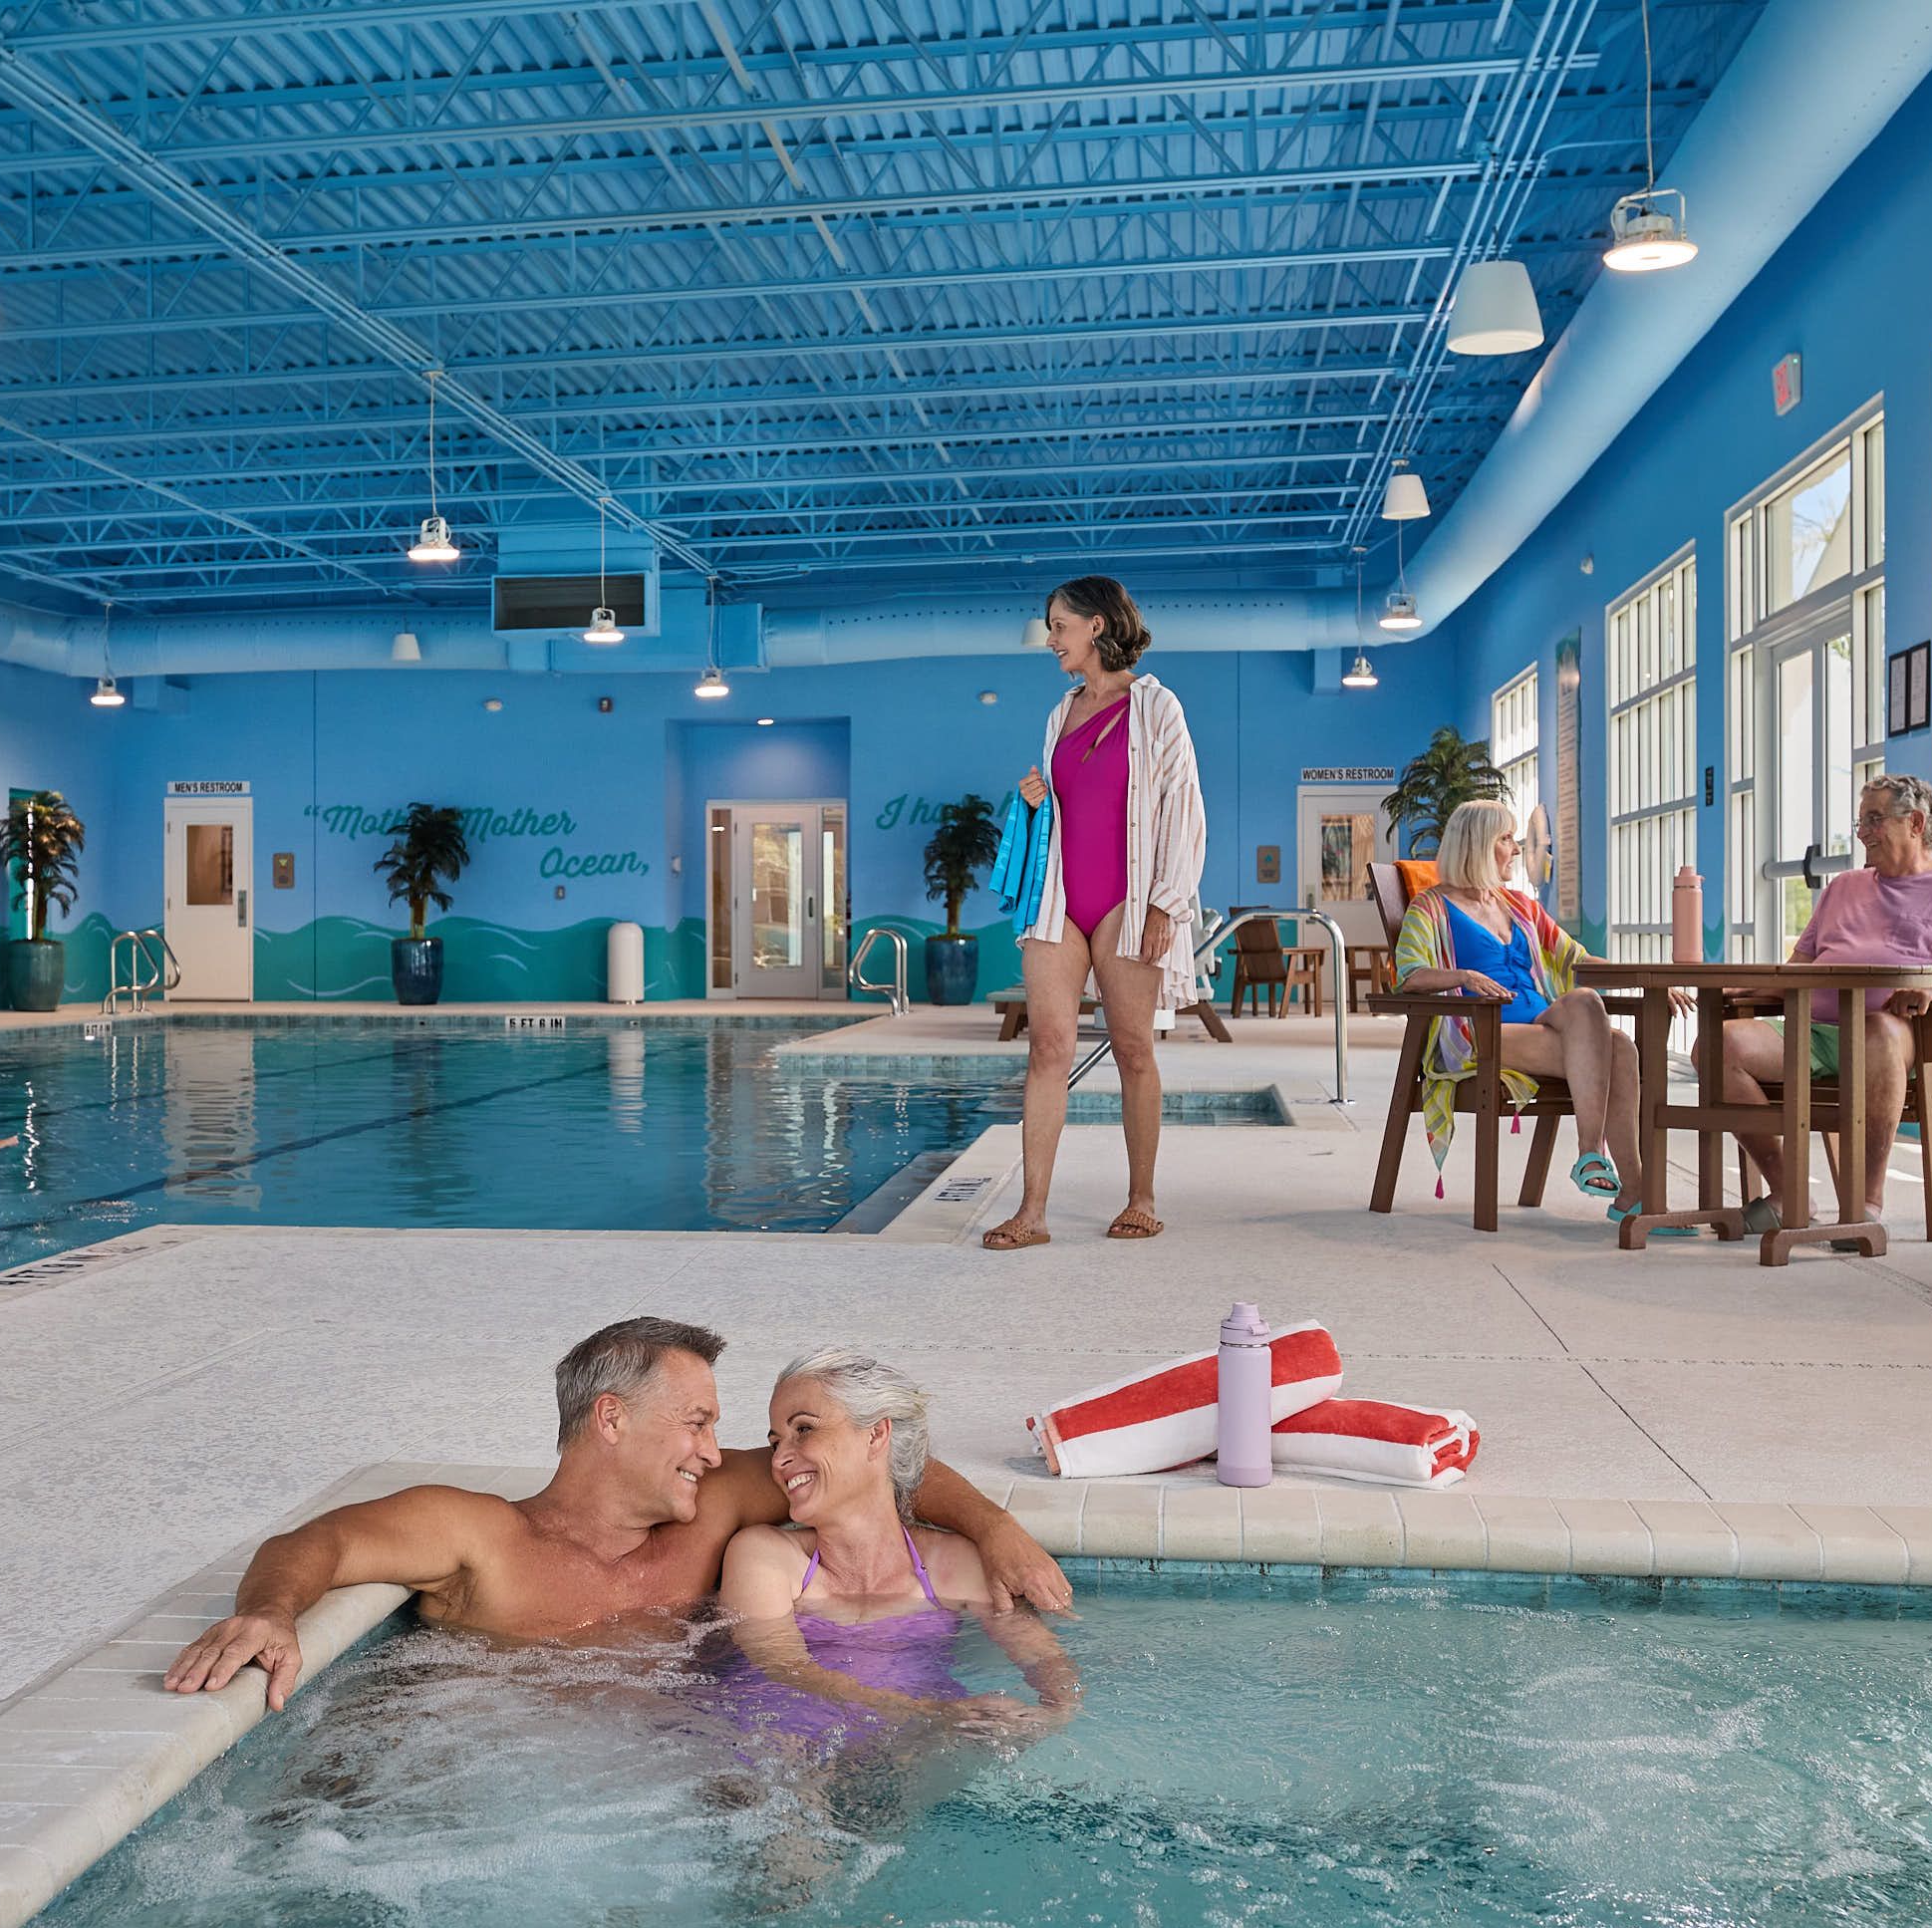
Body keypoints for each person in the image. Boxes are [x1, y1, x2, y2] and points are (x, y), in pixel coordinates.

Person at [164, 1318, 1070, 1711]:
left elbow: (874, 1468)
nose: (716, 1452)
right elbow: (318, 1541)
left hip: (680, 1776)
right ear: (611, 1419)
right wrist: (271, 1610)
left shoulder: (714, 1510)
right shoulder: (481, 1535)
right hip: (502, 1769)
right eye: (697, 1423)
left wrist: (996, 1531)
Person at [984, 574, 1206, 1249]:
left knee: (1133, 1049)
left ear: (1098, 625)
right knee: (1047, 1048)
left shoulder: (1157, 706)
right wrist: (1034, 802)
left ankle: (1141, 1200)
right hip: (1060, 898)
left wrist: (1168, 902)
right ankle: (1032, 1213)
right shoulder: (1061, 712)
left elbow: (1183, 806)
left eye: (1060, 626)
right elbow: (1067, 808)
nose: (1052, 639)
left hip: (1128, 901)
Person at [714, 1347, 1078, 1749]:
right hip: (781, 1739)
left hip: (911, 1744)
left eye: (804, 1430)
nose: (779, 1459)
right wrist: (929, 1712)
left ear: (875, 1435)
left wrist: (1056, 1713)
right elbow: (786, 1668)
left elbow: (1044, 1659)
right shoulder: (765, 1556)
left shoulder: (955, 1564)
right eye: (775, 1443)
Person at [1716, 772, 1932, 1237]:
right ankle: (1789, 1190)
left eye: (1874, 820)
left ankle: (1864, 1205)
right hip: (1818, 1032)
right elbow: (1798, 969)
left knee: (1876, 1031)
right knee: (1719, 1045)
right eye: (1860, 822)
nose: (1862, 833)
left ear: (1916, 823)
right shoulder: (1842, 888)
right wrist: (1751, 991)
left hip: (1914, 1039)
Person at [1392, 799, 1678, 1222]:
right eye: (1506, 839)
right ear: (1476, 845)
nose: (1516, 849)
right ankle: (1628, 1188)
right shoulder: (1430, 907)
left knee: (1585, 999)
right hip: (1480, 1032)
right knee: (1620, 1050)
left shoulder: (1520, 905)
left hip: (1541, 1021)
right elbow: (1410, 975)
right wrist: (1463, 976)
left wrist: (1647, 979)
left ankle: (1603, 1167)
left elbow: (1578, 961)